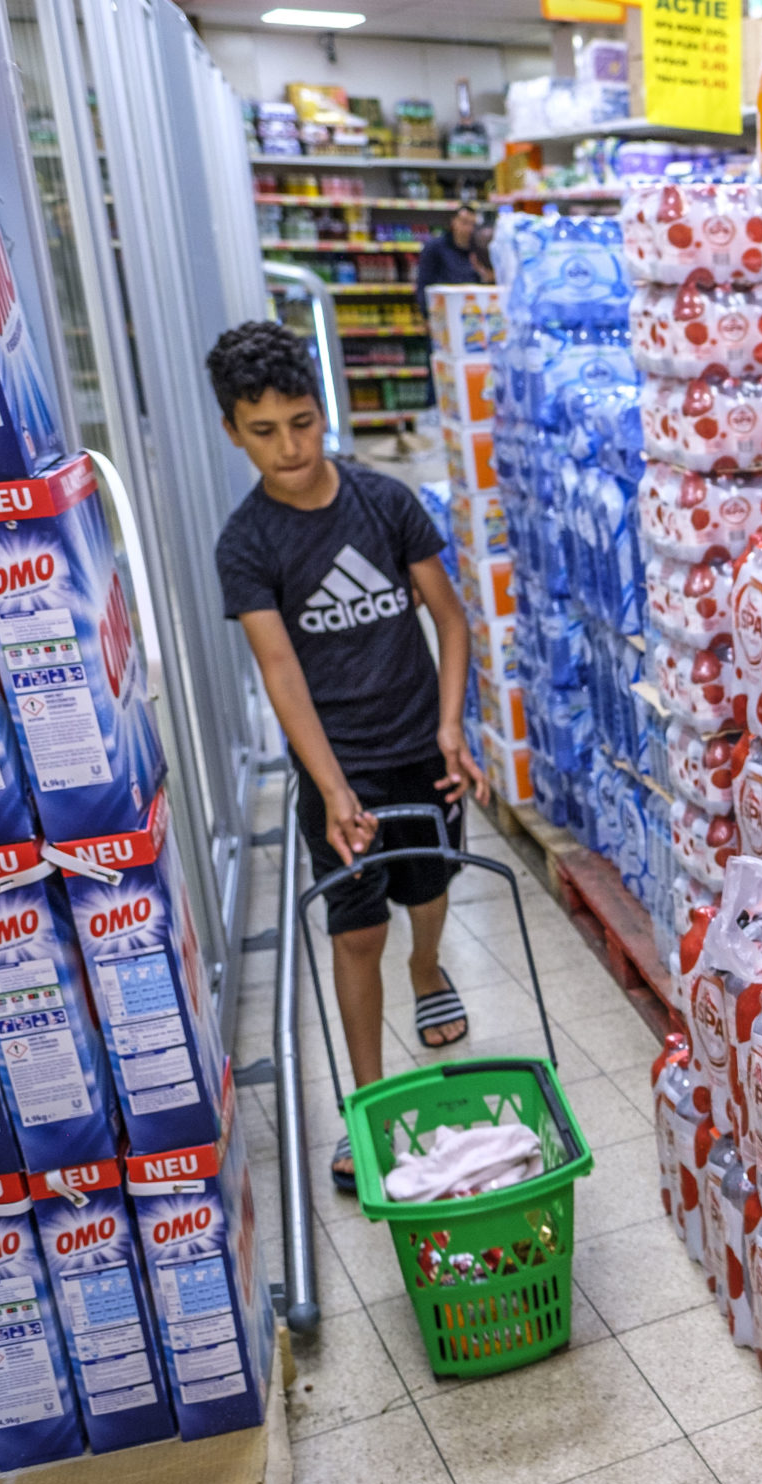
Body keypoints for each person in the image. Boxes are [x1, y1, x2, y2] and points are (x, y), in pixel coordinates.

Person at [206, 320, 488, 1189]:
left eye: (301, 422)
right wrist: (331, 789)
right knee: (357, 929)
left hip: (421, 744)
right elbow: (281, 670)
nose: (288, 447)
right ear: (232, 432)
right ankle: (367, 1106)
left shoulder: (384, 502)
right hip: (338, 766)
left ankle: (428, 966)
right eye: (263, 431)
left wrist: (452, 725)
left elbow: (450, 620)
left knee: (429, 889)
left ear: (322, 410)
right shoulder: (247, 543)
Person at [413, 204, 490, 321]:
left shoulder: (479, 249)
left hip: (473, 313)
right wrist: (427, 315)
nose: (469, 228)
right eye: (464, 223)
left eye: (473, 224)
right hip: (443, 313)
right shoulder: (434, 247)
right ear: (453, 222)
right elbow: (424, 282)